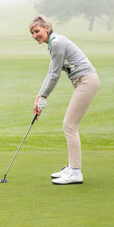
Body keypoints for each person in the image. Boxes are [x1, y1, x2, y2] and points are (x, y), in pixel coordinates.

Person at [29, 15, 99, 185]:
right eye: (32, 33)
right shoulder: (54, 43)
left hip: (86, 81)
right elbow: (51, 72)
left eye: (37, 31)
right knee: (69, 125)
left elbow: (54, 75)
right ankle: (71, 167)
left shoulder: (57, 43)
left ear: (47, 27)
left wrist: (43, 97)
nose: (35, 35)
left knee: (69, 125)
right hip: (83, 81)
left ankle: (75, 172)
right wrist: (39, 97)